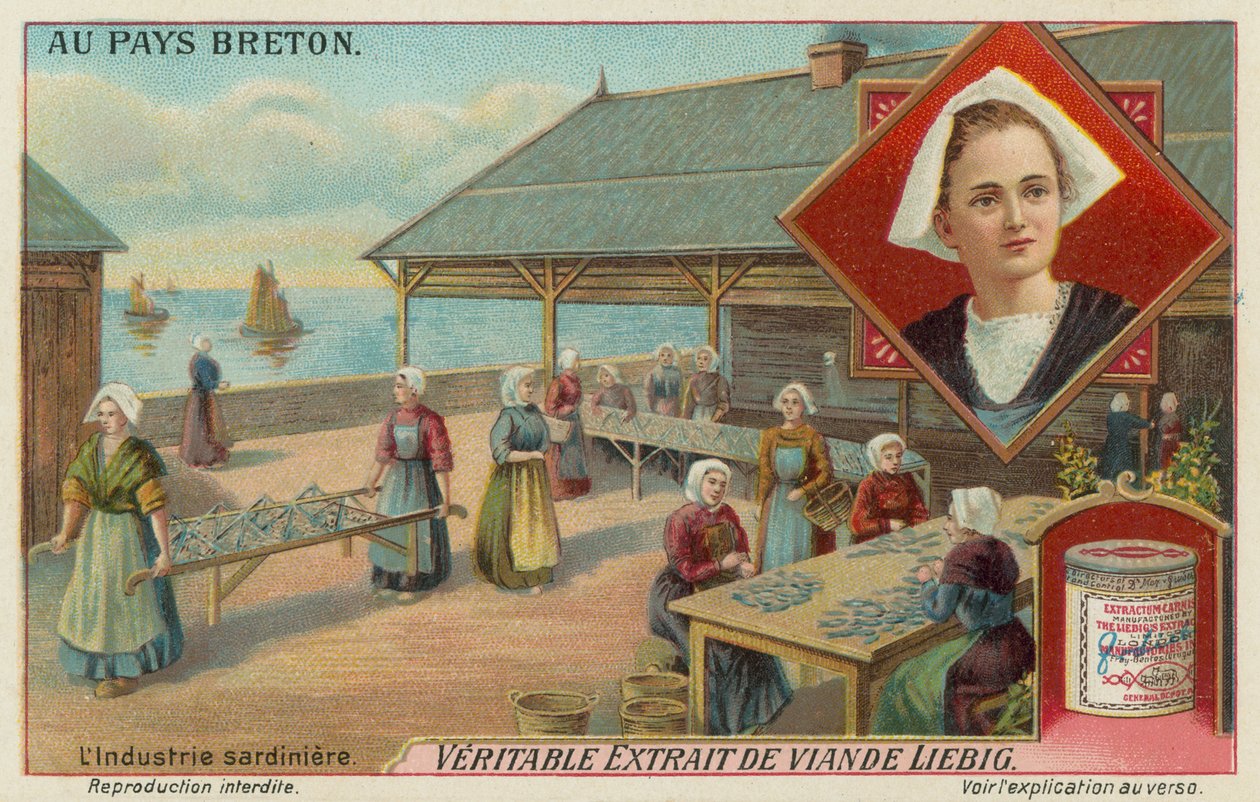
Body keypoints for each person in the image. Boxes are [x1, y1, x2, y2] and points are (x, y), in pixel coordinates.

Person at [891, 67, 1137, 444]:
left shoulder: (1113, 323)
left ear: (1060, 197)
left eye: (1035, 192)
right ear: (946, 227)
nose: (1016, 219)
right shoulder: (923, 342)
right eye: (986, 200)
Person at [49, 382, 183, 698]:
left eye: (112, 414)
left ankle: (126, 674)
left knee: (124, 602)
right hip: (95, 533)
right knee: (93, 598)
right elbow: (76, 493)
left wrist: (164, 553)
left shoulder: (139, 453)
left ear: (125, 417)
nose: (105, 420)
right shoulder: (91, 449)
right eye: (101, 414)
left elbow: (154, 506)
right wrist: (66, 533)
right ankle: (96, 669)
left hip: (125, 537)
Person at [872, 487, 1035, 736]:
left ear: (968, 525)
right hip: (1015, 644)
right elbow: (977, 588)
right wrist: (946, 577)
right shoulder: (1001, 549)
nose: (946, 525)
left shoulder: (960, 556)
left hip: (983, 657)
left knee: (904, 680)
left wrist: (927, 583)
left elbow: (938, 613)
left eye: (950, 518)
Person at [647, 459, 792, 734]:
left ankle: (756, 716)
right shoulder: (680, 519)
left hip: (718, 588)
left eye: (722, 484)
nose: (717, 489)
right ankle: (718, 728)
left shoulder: (727, 513)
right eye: (711, 482)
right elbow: (685, 568)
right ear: (697, 481)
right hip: (678, 596)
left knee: (751, 639)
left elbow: (740, 546)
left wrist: (743, 564)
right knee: (712, 651)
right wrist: (719, 566)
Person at [362, 366, 453, 602]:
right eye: (395, 386)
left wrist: (446, 500)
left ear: (414, 389)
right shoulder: (392, 418)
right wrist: (370, 483)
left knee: (416, 530)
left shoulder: (430, 420)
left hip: (421, 483)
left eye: (399, 386)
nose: (395, 390)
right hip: (395, 481)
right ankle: (386, 580)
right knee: (389, 528)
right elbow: (382, 454)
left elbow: (440, 462)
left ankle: (411, 583)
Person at [472, 366, 561, 594]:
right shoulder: (508, 416)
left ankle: (536, 573)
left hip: (534, 479)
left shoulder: (534, 411)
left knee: (536, 526)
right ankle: (515, 579)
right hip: (513, 480)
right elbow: (500, 451)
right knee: (517, 527)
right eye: (526, 385)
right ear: (513, 388)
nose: (531, 389)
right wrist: (530, 455)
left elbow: (544, 438)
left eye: (532, 384)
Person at [756, 383, 836, 570]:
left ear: (804, 407)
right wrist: (760, 502)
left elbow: (825, 473)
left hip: (801, 503)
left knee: (798, 550)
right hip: (777, 500)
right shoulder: (771, 435)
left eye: (795, 402)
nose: (789, 407)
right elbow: (765, 473)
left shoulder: (812, 436)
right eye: (785, 402)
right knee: (773, 549)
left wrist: (802, 491)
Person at [850, 433, 929, 543]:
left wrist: (912, 531)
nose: (896, 462)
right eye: (888, 457)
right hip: (873, 542)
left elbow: (918, 512)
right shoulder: (869, 484)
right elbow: (857, 524)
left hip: (903, 539)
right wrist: (888, 525)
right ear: (877, 458)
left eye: (898, 456)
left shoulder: (906, 479)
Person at [544, 347, 592, 500]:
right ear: (570, 362)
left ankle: (575, 490)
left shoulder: (575, 379)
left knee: (574, 456)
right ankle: (561, 491)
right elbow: (550, 408)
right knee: (562, 457)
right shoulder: (558, 382)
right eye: (577, 360)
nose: (579, 362)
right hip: (562, 425)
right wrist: (568, 408)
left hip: (574, 423)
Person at [178, 334, 232, 469]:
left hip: (203, 396)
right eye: (206, 341)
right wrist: (219, 385)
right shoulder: (201, 361)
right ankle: (203, 459)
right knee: (202, 428)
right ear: (200, 345)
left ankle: (205, 456)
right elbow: (206, 382)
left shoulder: (201, 358)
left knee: (205, 427)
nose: (209, 343)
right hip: (201, 398)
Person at [1099, 392, 1153, 483]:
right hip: (1121, 442)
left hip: (1111, 441)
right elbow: (1137, 422)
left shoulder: (1110, 416)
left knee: (1111, 462)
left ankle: (1109, 480)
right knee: (1122, 462)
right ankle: (1123, 482)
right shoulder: (1125, 416)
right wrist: (1150, 425)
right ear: (1124, 404)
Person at [590, 364, 637, 464]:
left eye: (607, 375)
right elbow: (594, 401)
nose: (604, 379)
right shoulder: (601, 391)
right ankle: (607, 456)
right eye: (602, 376)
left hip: (622, 424)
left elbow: (632, 406)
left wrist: (629, 412)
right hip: (607, 424)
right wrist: (595, 408)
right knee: (603, 440)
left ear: (615, 376)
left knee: (625, 442)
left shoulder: (624, 390)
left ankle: (622, 458)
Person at [682, 345, 731, 423]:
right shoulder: (693, 379)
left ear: (712, 361)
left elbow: (723, 404)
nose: (701, 362)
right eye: (699, 358)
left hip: (711, 416)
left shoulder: (720, 379)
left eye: (705, 359)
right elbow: (688, 405)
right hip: (696, 416)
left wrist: (712, 421)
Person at [643, 343, 683, 417]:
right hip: (659, 406)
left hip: (674, 407)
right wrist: (650, 409)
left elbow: (680, 390)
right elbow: (648, 393)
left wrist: (679, 405)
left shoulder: (677, 372)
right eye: (662, 355)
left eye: (669, 355)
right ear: (658, 357)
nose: (665, 358)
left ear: (673, 358)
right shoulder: (653, 373)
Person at [1155, 391, 1184, 470]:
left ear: (1169, 405)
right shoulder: (1168, 416)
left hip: (1170, 444)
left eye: (1164, 404)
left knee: (1168, 463)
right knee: (1164, 462)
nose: (1162, 406)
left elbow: (1165, 429)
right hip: (1167, 443)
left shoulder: (1172, 417)